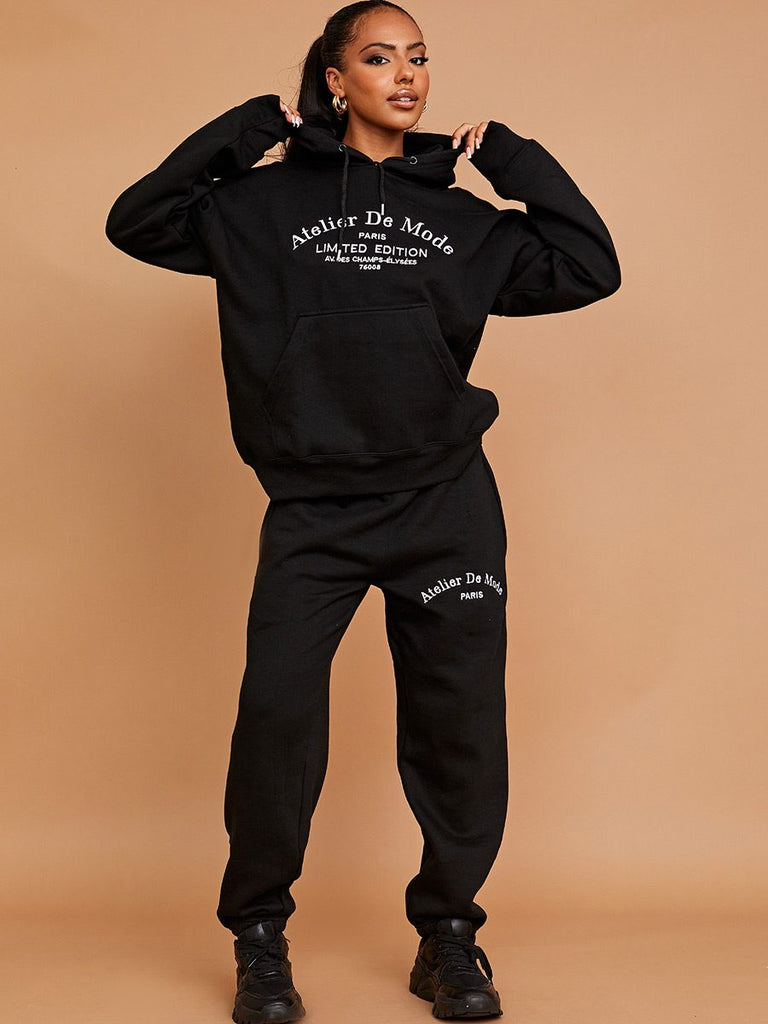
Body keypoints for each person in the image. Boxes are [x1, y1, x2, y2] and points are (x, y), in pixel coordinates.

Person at [104, 2, 621, 1020]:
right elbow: (138, 220)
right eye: (380, 58)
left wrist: (513, 161)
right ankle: (260, 939)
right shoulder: (255, 207)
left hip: (444, 501)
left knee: (458, 725)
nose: (407, 74)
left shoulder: (464, 221)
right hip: (315, 508)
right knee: (278, 718)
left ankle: (450, 937)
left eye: (418, 57)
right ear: (335, 80)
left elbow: (588, 267)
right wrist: (248, 129)